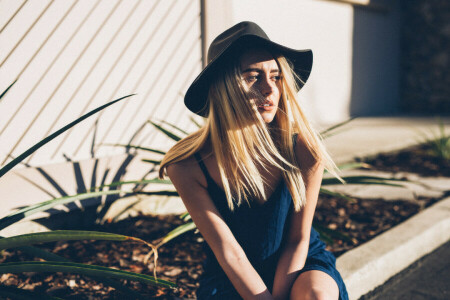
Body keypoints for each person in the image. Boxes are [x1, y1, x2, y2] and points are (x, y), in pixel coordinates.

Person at [159, 21, 348, 300]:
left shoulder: (302, 149)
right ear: (224, 88)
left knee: (317, 295)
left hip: (299, 265)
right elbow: (229, 252)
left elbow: (298, 240)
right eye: (252, 77)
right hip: (233, 276)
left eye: (276, 77)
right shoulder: (187, 166)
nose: (269, 89)